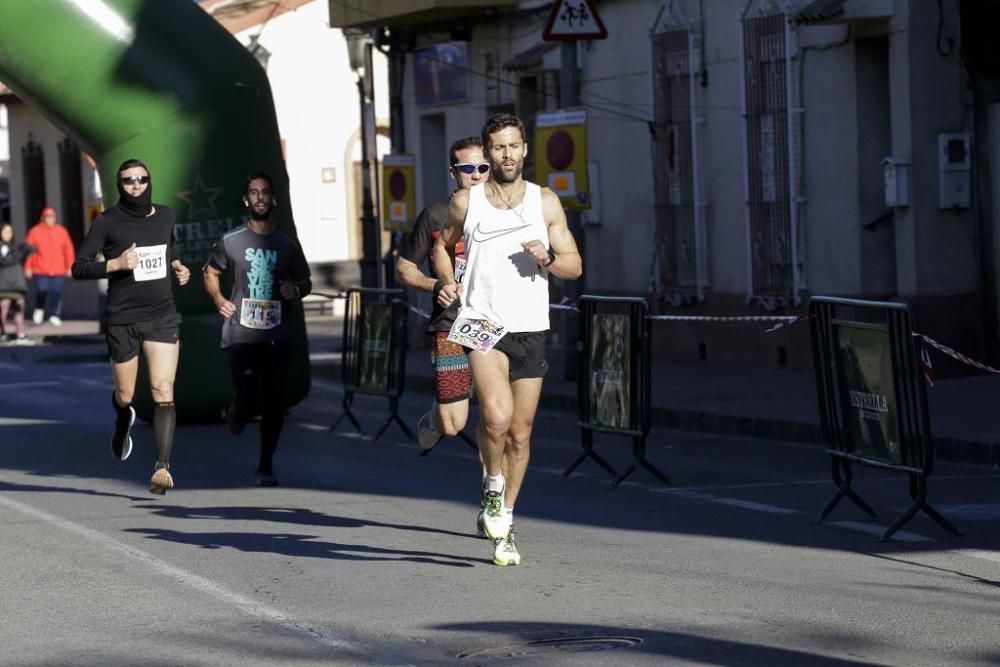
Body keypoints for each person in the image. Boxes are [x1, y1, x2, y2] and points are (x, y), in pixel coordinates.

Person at [433, 113, 582, 566]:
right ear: (488, 151)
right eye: (499, 147)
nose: (507, 154)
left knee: (520, 432)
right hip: (482, 323)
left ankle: (506, 519)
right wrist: (447, 280)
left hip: (530, 327)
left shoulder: (545, 202)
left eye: (514, 146)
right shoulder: (467, 203)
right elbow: (441, 245)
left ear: (524, 150)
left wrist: (548, 256)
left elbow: (574, 266)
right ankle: (492, 488)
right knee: (496, 418)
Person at [72, 159, 191, 495]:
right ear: (119, 185)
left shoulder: (166, 215)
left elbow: (172, 245)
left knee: (163, 389)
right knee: (126, 395)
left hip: (162, 314)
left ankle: (162, 467)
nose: (136, 185)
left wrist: (178, 266)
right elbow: (78, 268)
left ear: (149, 181)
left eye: (141, 179)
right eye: (128, 181)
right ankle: (123, 417)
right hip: (123, 318)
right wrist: (116, 264)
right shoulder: (107, 222)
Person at [203, 171, 311, 487]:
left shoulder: (287, 244)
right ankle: (238, 408)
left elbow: (305, 280)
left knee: (273, 401)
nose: (260, 197)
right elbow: (209, 273)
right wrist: (219, 298)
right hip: (241, 332)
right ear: (246, 200)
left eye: (265, 192)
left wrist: (296, 288)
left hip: (277, 333)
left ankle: (266, 465)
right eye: (254, 192)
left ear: (273, 198)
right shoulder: (231, 241)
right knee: (249, 394)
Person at [396, 136, 487, 453]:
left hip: (494, 324)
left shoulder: (506, 214)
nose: (476, 175)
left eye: (482, 167)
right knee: (452, 424)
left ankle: (495, 487)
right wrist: (437, 285)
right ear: (453, 172)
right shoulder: (435, 215)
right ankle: (434, 419)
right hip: (450, 324)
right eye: (468, 168)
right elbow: (405, 268)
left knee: (497, 416)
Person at [24, 207, 75, 326]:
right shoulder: (34, 231)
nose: (50, 219)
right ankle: (39, 308)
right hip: (40, 268)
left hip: (58, 269)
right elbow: (28, 252)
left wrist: (70, 266)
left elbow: (68, 250)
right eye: (48, 217)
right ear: (43, 218)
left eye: (52, 217)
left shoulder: (62, 231)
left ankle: (54, 314)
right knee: (42, 289)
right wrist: (28, 267)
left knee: (56, 292)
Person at [0, 222, 35, 344]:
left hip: (16, 284)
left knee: (19, 308)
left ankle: (21, 334)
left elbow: (24, 258)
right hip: (3, 285)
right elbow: (6, 261)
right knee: (3, 308)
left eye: (10, 232)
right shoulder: (7, 249)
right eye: (5, 232)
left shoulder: (17, 248)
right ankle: (3, 333)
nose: (8, 234)